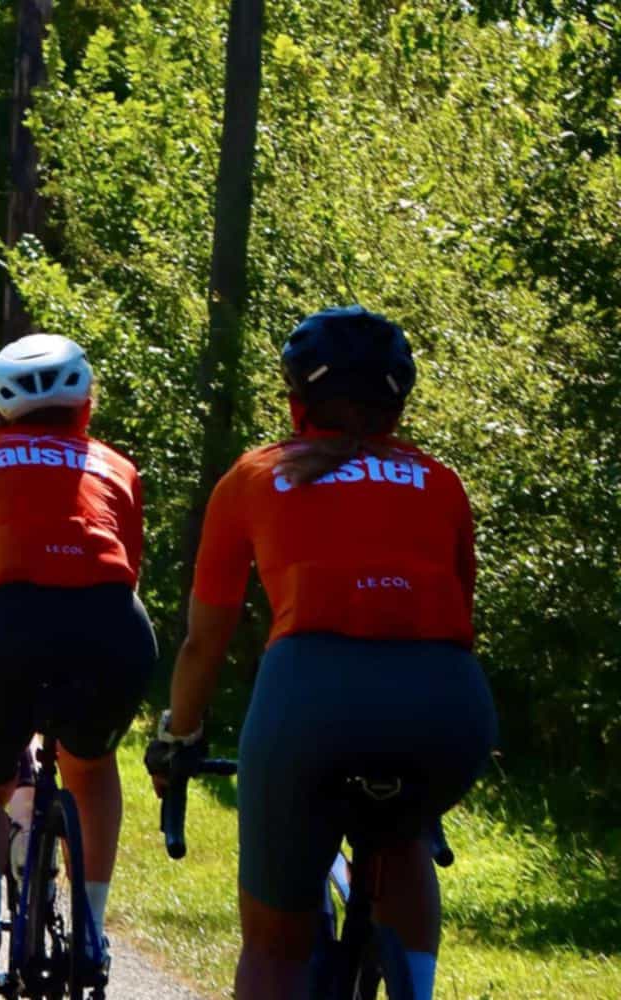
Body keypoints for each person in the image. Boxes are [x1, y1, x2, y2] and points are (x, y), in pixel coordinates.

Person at [145, 306, 496, 1000]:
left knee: (276, 949)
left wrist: (180, 735)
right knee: (403, 839)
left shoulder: (255, 475)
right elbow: (459, 617)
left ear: (295, 398)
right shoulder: (442, 482)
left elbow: (203, 639)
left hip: (311, 701)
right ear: (399, 399)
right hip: (449, 708)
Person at [0, 333, 154, 990]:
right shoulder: (119, 468)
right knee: (90, 770)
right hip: (114, 628)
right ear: (87, 406)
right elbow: (127, 574)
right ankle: (92, 930)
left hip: (14, 624)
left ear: (0, 408)